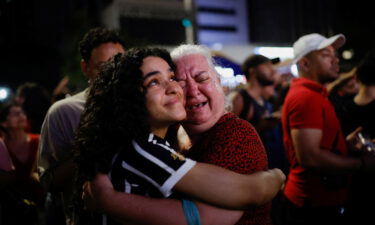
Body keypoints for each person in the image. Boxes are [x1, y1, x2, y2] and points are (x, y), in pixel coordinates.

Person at [74, 47, 285, 225]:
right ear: (130, 98)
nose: (186, 90)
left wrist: (273, 179)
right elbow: (211, 214)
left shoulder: (234, 134)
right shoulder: (146, 146)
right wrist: (274, 178)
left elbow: (235, 202)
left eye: (201, 78)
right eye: (155, 82)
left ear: (220, 83)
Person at [281, 33, 375, 225]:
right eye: (326, 55)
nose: (335, 59)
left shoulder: (316, 94)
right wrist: (362, 164)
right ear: (305, 64)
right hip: (313, 207)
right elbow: (310, 157)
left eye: (334, 53)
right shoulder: (306, 97)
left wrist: (343, 145)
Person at [37, 27, 126, 225]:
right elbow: (49, 182)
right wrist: (93, 151)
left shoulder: (146, 105)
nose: (113, 73)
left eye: (120, 63)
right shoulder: (64, 112)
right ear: (85, 68)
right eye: (103, 67)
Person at [0, 102, 43, 225]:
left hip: (39, 203)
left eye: (22, 113)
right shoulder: (1, 146)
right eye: (15, 114)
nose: (21, 116)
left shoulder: (38, 140)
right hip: (11, 207)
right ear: (3, 122)